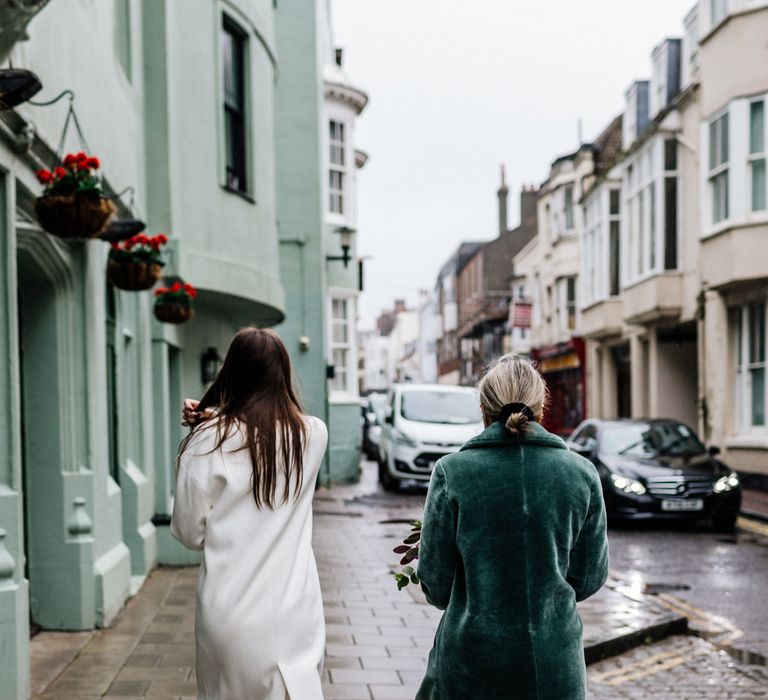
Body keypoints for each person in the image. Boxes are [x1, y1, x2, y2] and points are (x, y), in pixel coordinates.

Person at [416, 353, 609, 700]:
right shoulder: (582, 475)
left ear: (484, 409)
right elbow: (589, 578)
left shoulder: (452, 473)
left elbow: (436, 585)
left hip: (471, 667)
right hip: (555, 667)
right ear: (541, 406)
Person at [171, 327, 328, 700]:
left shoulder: (207, 442)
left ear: (231, 372)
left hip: (229, 613)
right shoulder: (313, 435)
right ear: (283, 373)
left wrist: (207, 425)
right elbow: (261, 432)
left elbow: (189, 534)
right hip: (296, 611)